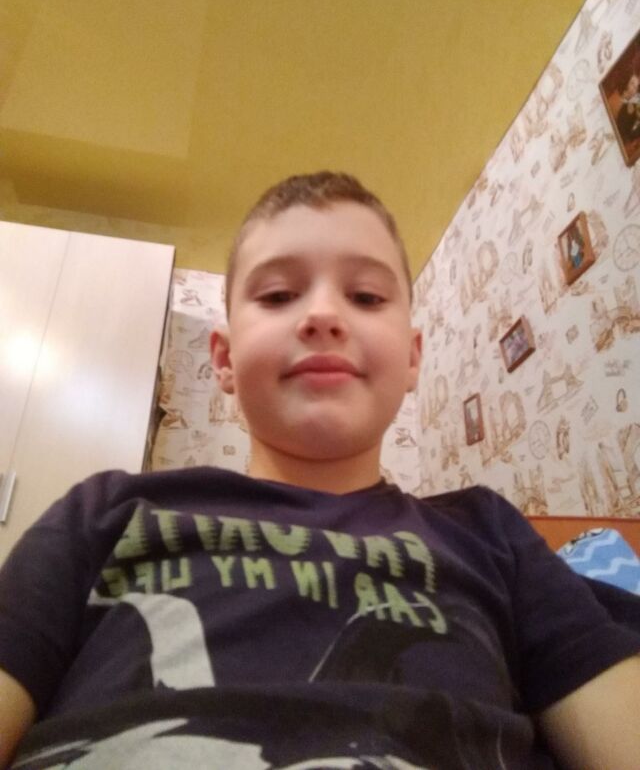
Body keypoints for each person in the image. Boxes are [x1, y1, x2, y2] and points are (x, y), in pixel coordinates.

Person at [0, 172, 639, 769]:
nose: (324, 315)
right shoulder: (105, 513)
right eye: (279, 295)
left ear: (412, 358)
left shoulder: (491, 534)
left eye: (366, 296)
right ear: (223, 359)